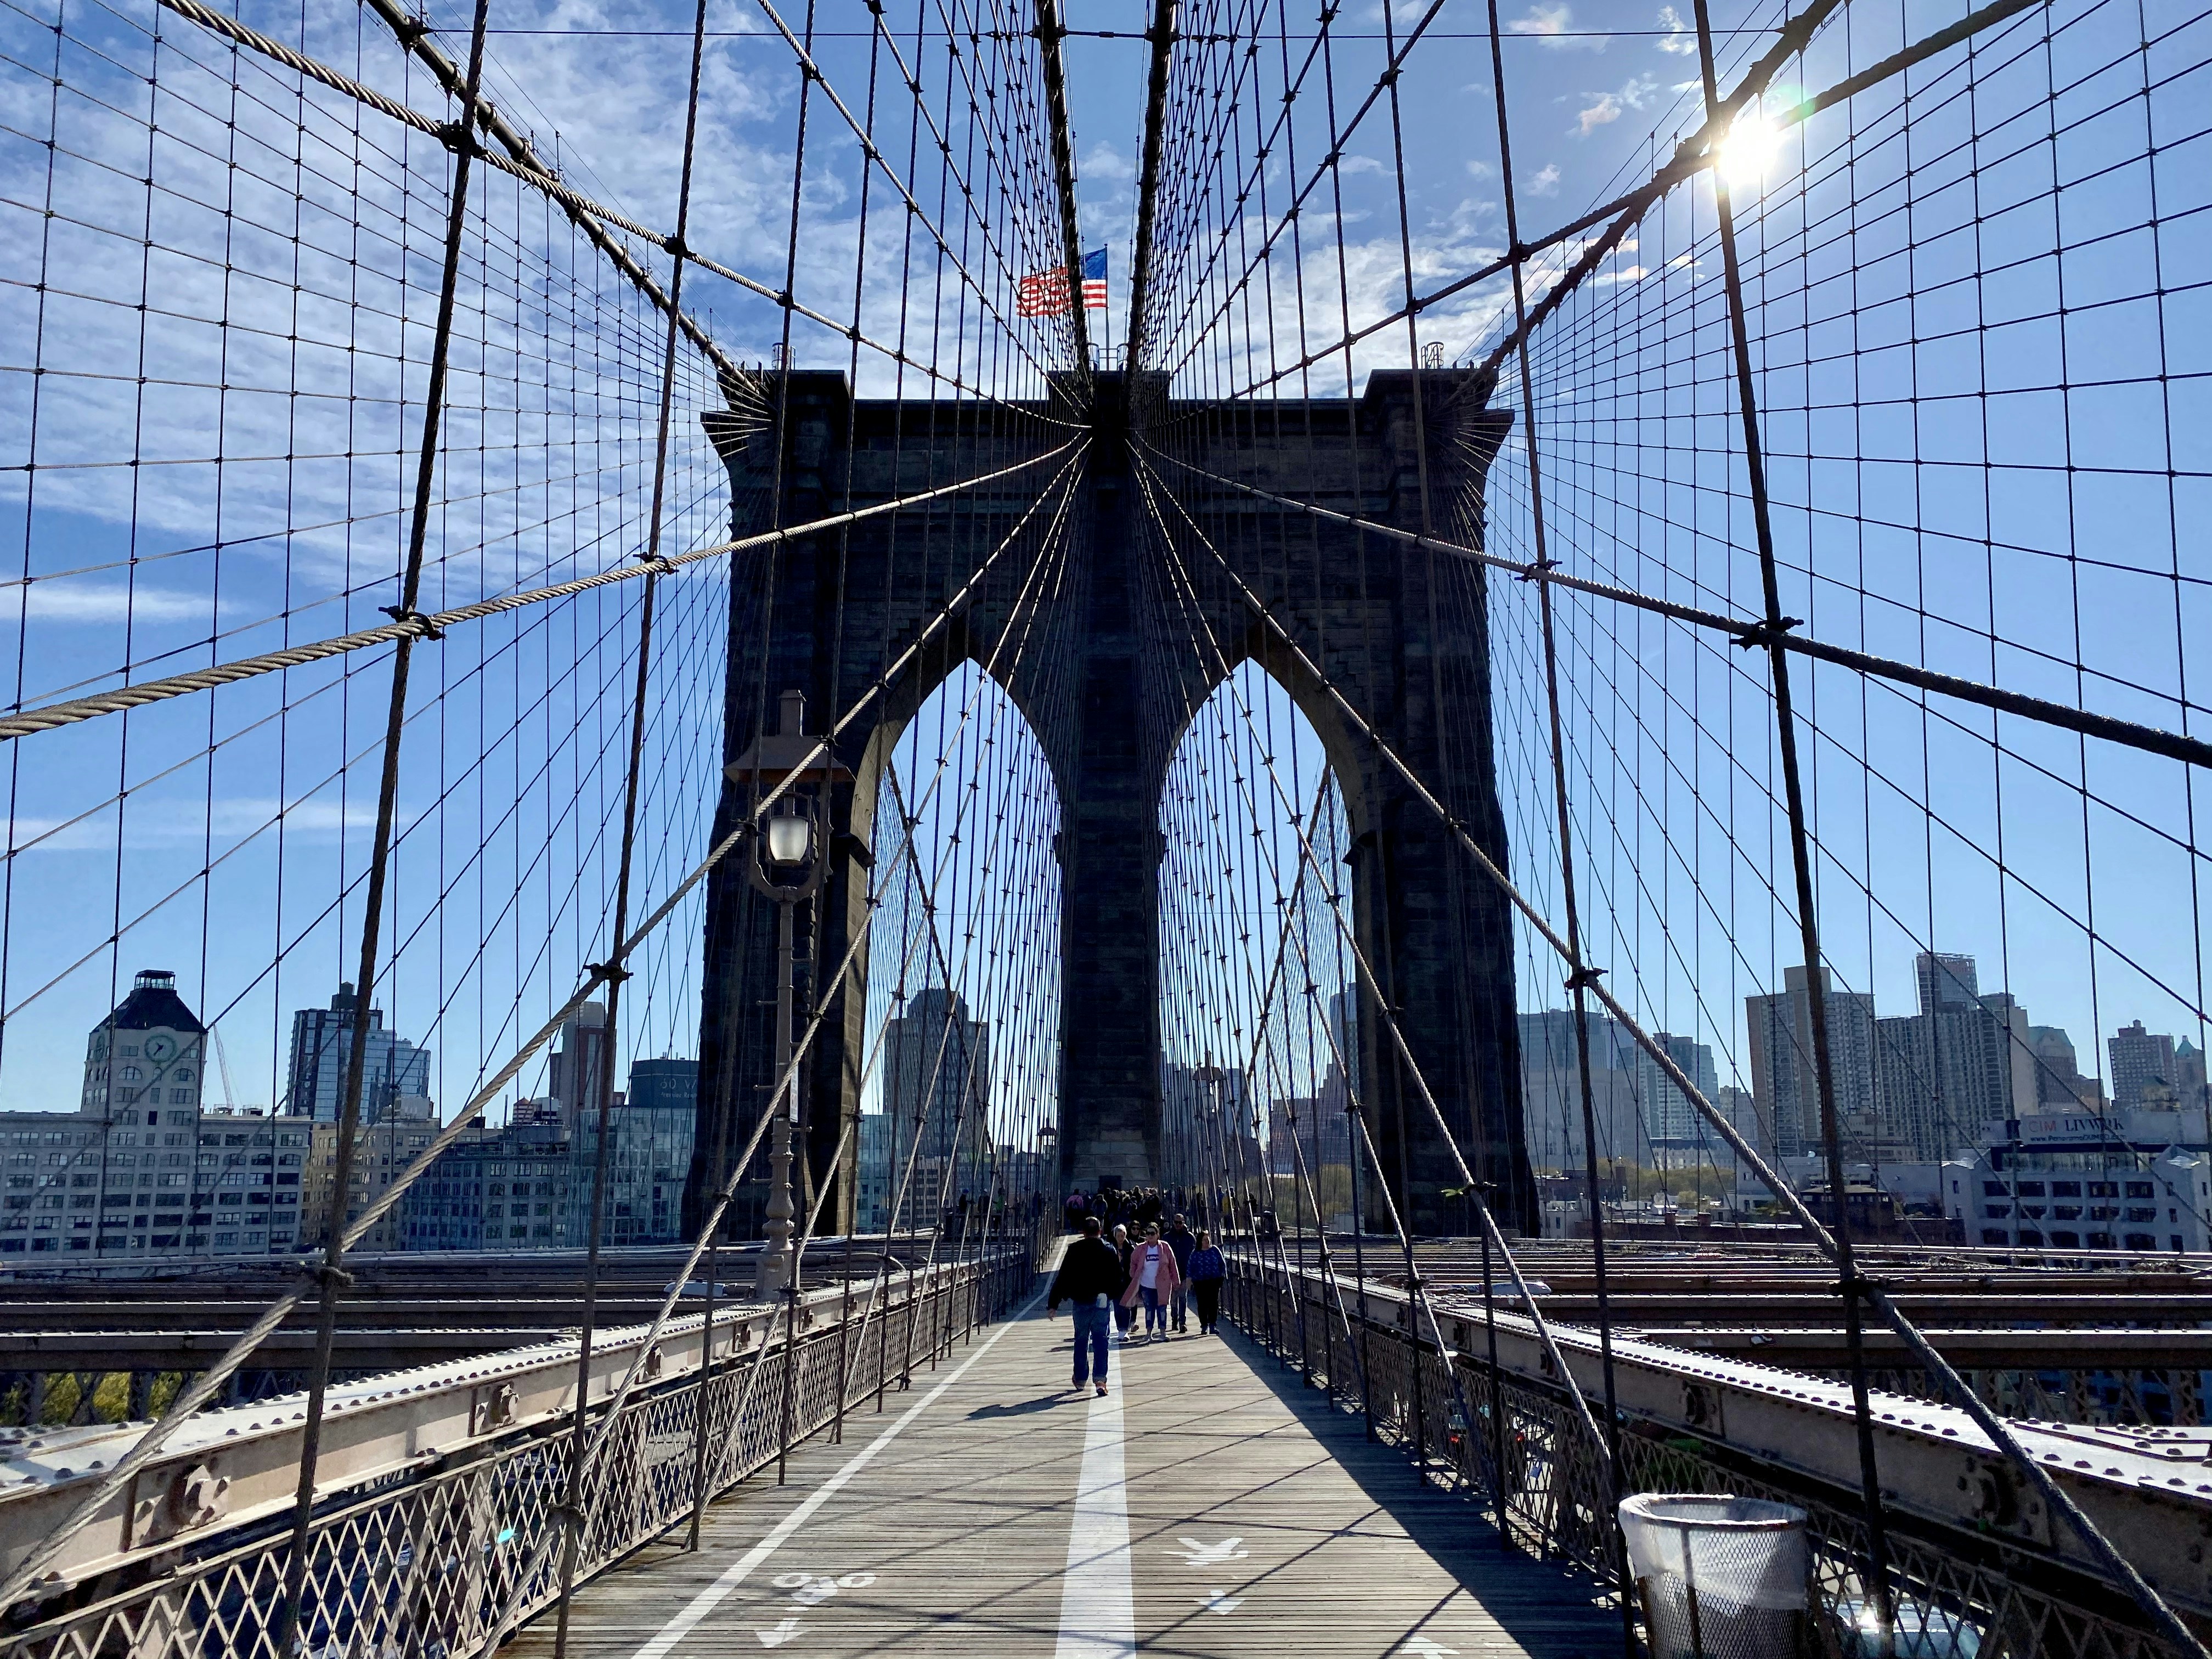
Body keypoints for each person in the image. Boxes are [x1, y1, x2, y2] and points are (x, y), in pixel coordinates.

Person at [1048, 1215, 1126, 1395]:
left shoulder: (1074, 1250)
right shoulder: (1109, 1250)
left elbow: (1063, 1278)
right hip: (1102, 1301)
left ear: (1083, 1232)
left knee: (1081, 1340)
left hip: (1081, 1301)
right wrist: (1115, 1296)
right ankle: (1100, 1380)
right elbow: (1117, 1277)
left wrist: (1053, 1304)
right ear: (1100, 1231)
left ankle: (1081, 1379)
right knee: (1101, 1340)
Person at [1119, 1222, 1182, 1341]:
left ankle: (1163, 1333)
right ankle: (1149, 1333)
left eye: (1152, 1233)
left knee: (1162, 1309)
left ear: (1158, 1234)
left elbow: (1172, 1264)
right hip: (1146, 1285)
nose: (1150, 1236)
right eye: (1148, 1233)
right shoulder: (1141, 1248)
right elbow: (1133, 1261)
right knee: (1149, 1309)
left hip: (1162, 1285)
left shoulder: (1165, 1247)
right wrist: (1133, 1274)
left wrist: (1176, 1281)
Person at [1186, 1229, 1226, 1334]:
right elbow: (1190, 1267)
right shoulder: (1195, 1253)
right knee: (1202, 1304)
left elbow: (1222, 1263)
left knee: (1213, 1303)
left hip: (1214, 1280)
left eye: (1208, 1239)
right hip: (1200, 1282)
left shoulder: (1215, 1250)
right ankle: (1204, 1326)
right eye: (1204, 1240)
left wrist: (1222, 1276)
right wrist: (1189, 1280)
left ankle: (1212, 1325)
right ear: (1200, 1241)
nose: (1207, 1242)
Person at [1164, 1212, 1197, 1333]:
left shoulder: (1190, 1237)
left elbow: (1194, 1254)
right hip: (1171, 1273)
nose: (1178, 1225)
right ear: (1173, 1223)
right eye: (1176, 1222)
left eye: (1180, 1222)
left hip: (1185, 1272)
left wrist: (1193, 1272)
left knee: (1183, 1297)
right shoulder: (1167, 1237)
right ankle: (1174, 1320)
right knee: (1173, 1299)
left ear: (1184, 1223)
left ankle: (1182, 1322)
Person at [1109, 1224, 1137, 1336]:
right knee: (1117, 1307)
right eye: (1118, 1236)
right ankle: (1120, 1328)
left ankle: (1124, 1331)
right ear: (1115, 1236)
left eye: (1123, 1235)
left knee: (1126, 1307)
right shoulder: (1110, 1248)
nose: (1120, 1238)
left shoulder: (1130, 1248)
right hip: (1115, 1282)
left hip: (1127, 1281)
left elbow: (1134, 1264)